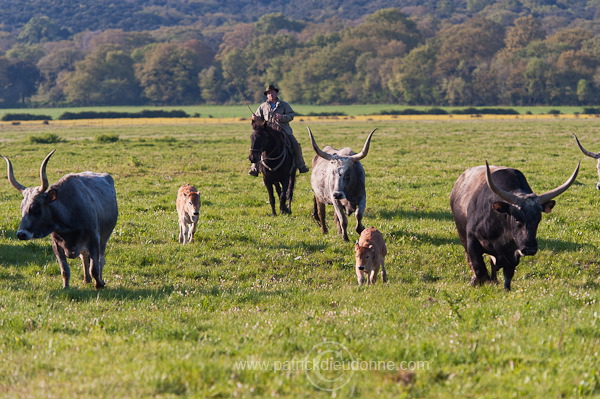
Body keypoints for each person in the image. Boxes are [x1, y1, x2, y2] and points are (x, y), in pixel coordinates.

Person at [249, 84, 309, 176]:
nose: (271, 94)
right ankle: (254, 167)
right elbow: (259, 120)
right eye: (268, 93)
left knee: (295, 145)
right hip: (268, 132)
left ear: (276, 93)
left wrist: (282, 117)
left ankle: (301, 165)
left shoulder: (284, 105)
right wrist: (255, 118)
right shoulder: (263, 106)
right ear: (266, 95)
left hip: (283, 130)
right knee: (257, 145)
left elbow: (291, 115)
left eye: (272, 92)